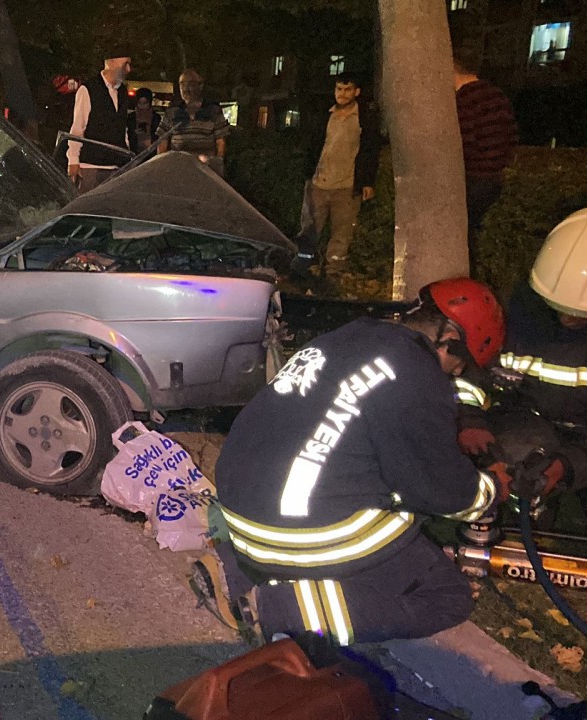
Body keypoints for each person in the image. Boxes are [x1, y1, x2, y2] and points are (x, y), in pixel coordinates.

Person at [193, 278, 515, 646]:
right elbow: (438, 491)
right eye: (460, 362)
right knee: (445, 592)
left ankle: (235, 571)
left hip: (238, 506)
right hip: (288, 527)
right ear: (449, 339)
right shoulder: (419, 374)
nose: (457, 373)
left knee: (379, 504)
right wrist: (490, 489)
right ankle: (276, 608)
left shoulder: (351, 336)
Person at [456, 209, 587, 532]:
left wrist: (568, 465)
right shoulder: (519, 314)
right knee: (515, 469)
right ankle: (527, 519)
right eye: (558, 308)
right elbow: (473, 372)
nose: (567, 319)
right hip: (530, 426)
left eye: (579, 313)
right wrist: (469, 421)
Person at [301, 72, 381, 279]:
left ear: (357, 92)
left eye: (347, 90)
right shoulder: (324, 115)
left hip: (347, 186)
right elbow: (312, 145)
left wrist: (367, 182)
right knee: (310, 229)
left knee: (342, 234)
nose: (342, 94)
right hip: (319, 184)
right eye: (339, 89)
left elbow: (370, 150)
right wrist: (308, 175)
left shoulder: (364, 119)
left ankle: (333, 273)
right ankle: (304, 267)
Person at [453, 46, 517, 263]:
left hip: (472, 179)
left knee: (459, 236)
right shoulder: (497, 95)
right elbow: (511, 135)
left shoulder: (464, 100)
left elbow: (464, 143)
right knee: (469, 232)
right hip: (493, 179)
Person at [66, 54, 132, 193]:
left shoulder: (122, 91)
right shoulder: (88, 89)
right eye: (125, 64)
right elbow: (78, 127)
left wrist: (126, 154)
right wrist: (73, 160)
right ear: (111, 61)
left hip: (116, 166)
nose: (128, 69)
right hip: (91, 165)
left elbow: (122, 127)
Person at [157, 69, 229, 177]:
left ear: (200, 85)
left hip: (205, 169)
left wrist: (216, 163)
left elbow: (221, 142)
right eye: (182, 84)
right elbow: (163, 140)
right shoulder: (173, 111)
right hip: (177, 169)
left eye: (190, 84)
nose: (185, 88)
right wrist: (162, 166)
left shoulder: (213, 111)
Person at [128, 87, 161, 153]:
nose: (142, 106)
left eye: (145, 103)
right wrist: (134, 134)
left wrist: (151, 141)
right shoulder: (131, 118)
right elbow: (129, 136)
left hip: (152, 153)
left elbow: (160, 136)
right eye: (140, 103)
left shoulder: (156, 118)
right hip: (135, 153)